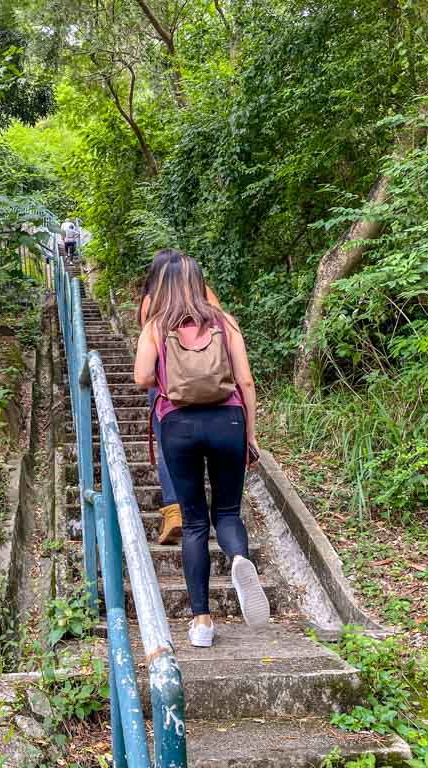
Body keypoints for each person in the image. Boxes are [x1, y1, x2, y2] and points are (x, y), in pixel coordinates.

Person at [133, 252, 269, 646]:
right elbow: (245, 382)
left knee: (194, 523)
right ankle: (240, 558)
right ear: (199, 281)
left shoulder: (157, 324)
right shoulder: (224, 322)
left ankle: (202, 623)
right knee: (226, 512)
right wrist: (250, 436)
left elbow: (142, 377)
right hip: (228, 422)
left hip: (179, 425)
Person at [138, 249, 221, 546]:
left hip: (165, 388)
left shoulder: (152, 300)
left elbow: (146, 355)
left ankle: (176, 512)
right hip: (209, 383)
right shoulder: (203, 294)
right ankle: (216, 515)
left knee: (169, 447)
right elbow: (220, 328)